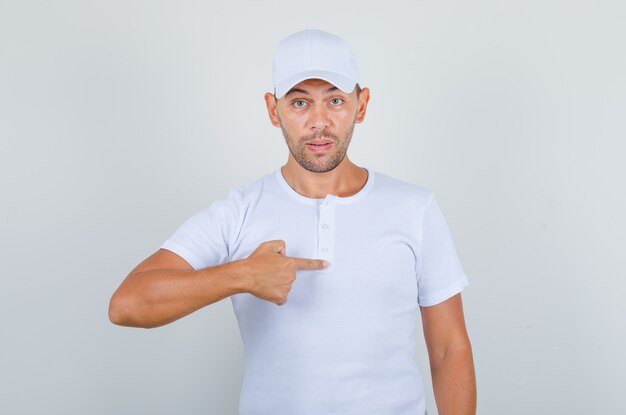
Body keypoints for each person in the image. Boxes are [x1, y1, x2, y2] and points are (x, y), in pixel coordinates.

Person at [109, 28, 476, 415]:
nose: (320, 122)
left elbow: (449, 349)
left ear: (361, 104)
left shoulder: (415, 209)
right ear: (273, 110)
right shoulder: (240, 211)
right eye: (300, 103)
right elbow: (127, 304)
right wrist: (242, 276)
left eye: (335, 100)